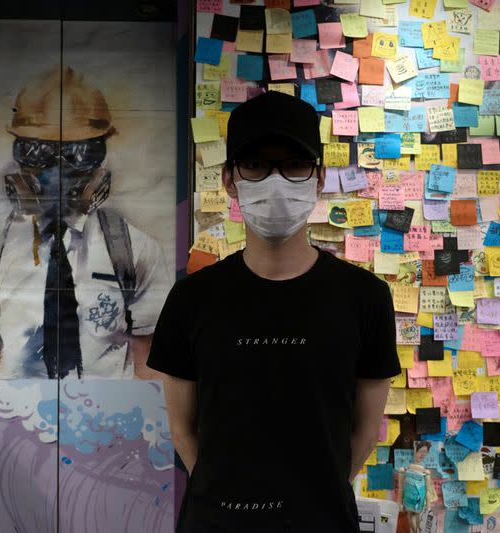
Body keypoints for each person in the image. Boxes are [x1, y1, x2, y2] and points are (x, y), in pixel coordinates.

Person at [146, 91, 401, 533]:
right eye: (258, 165)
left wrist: (312, 500)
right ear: (229, 180)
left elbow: (363, 434)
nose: (276, 181)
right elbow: (183, 431)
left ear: (319, 178)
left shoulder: (366, 298)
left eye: (295, 165)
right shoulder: (192, 299)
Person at [0, 66, 171, 380]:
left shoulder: (134, 250)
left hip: (106, 420)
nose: (58, 170)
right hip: (13, 419)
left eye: (81, 153)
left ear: (101, 156)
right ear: (19, 153)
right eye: (39, 151)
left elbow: (150, 362)